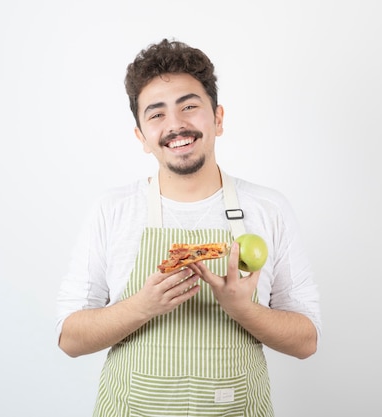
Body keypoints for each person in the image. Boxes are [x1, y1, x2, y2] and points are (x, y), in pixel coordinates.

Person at [56, 38, 321, 416]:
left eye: (189, 106)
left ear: (218, 118)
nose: (175, 124)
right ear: (142, 137)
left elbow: (306, 341)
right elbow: (70, 338)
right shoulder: (113, 210)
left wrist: (243, 309)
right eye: (156, 114)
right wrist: (141, 307)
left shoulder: (268, 208)